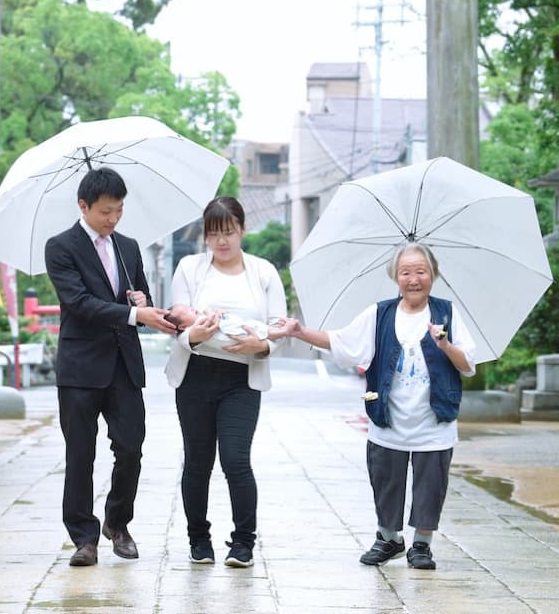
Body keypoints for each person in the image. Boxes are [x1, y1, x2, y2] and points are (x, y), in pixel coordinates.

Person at [281, 242, 477, 571]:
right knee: (385, 479)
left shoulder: (448, 313)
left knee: (431, 484)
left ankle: (422, 545)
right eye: (406, 272)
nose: (413, 279)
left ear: (433, 274)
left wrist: (445, 344)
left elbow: (467, 364)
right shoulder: (379, 314)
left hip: (435, 420)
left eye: (421, 271)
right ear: (395, 276)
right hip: (389, 416)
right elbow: (342, 342)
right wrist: (300, 332)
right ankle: (389, 539)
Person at [44, 166, 176, 567]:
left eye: (119, 210)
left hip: (123, 365)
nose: (113, 219)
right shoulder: (60, 247)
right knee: (80, 456)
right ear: (83, 206)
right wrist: (134, 314)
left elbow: (141, 299)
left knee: (131, 448)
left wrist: (142, 301)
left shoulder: (129, 247)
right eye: (105, 211)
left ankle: (117, 523)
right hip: (80, 368)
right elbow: (79, 303)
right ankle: (84, 538)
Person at [164, 196, 288, 568]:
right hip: (196, 375)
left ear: (242, 230)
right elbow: (177, 324)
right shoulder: (189, 268)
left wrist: (260, 345)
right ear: (205, 235)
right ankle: (199, 540)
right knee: (197, 461)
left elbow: (279, 327)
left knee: (236, 459)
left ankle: (243, 543)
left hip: (241, 379)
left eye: (229, 232)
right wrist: (196, 335)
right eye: (214, 233)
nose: (221, 241)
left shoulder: (263, 272)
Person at [164, 303, 289, 344]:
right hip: (233, 332)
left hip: (235, 325)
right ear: (183, 326)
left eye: (189, 307)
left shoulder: (199, 317)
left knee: (259, 328)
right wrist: (214, 313)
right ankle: (284, 331)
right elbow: (211, 319)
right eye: (186, 311)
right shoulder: (196, 325)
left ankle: (283, 330)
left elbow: (209, 311)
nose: (191, 309)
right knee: (260, 332)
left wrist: (215, 312)